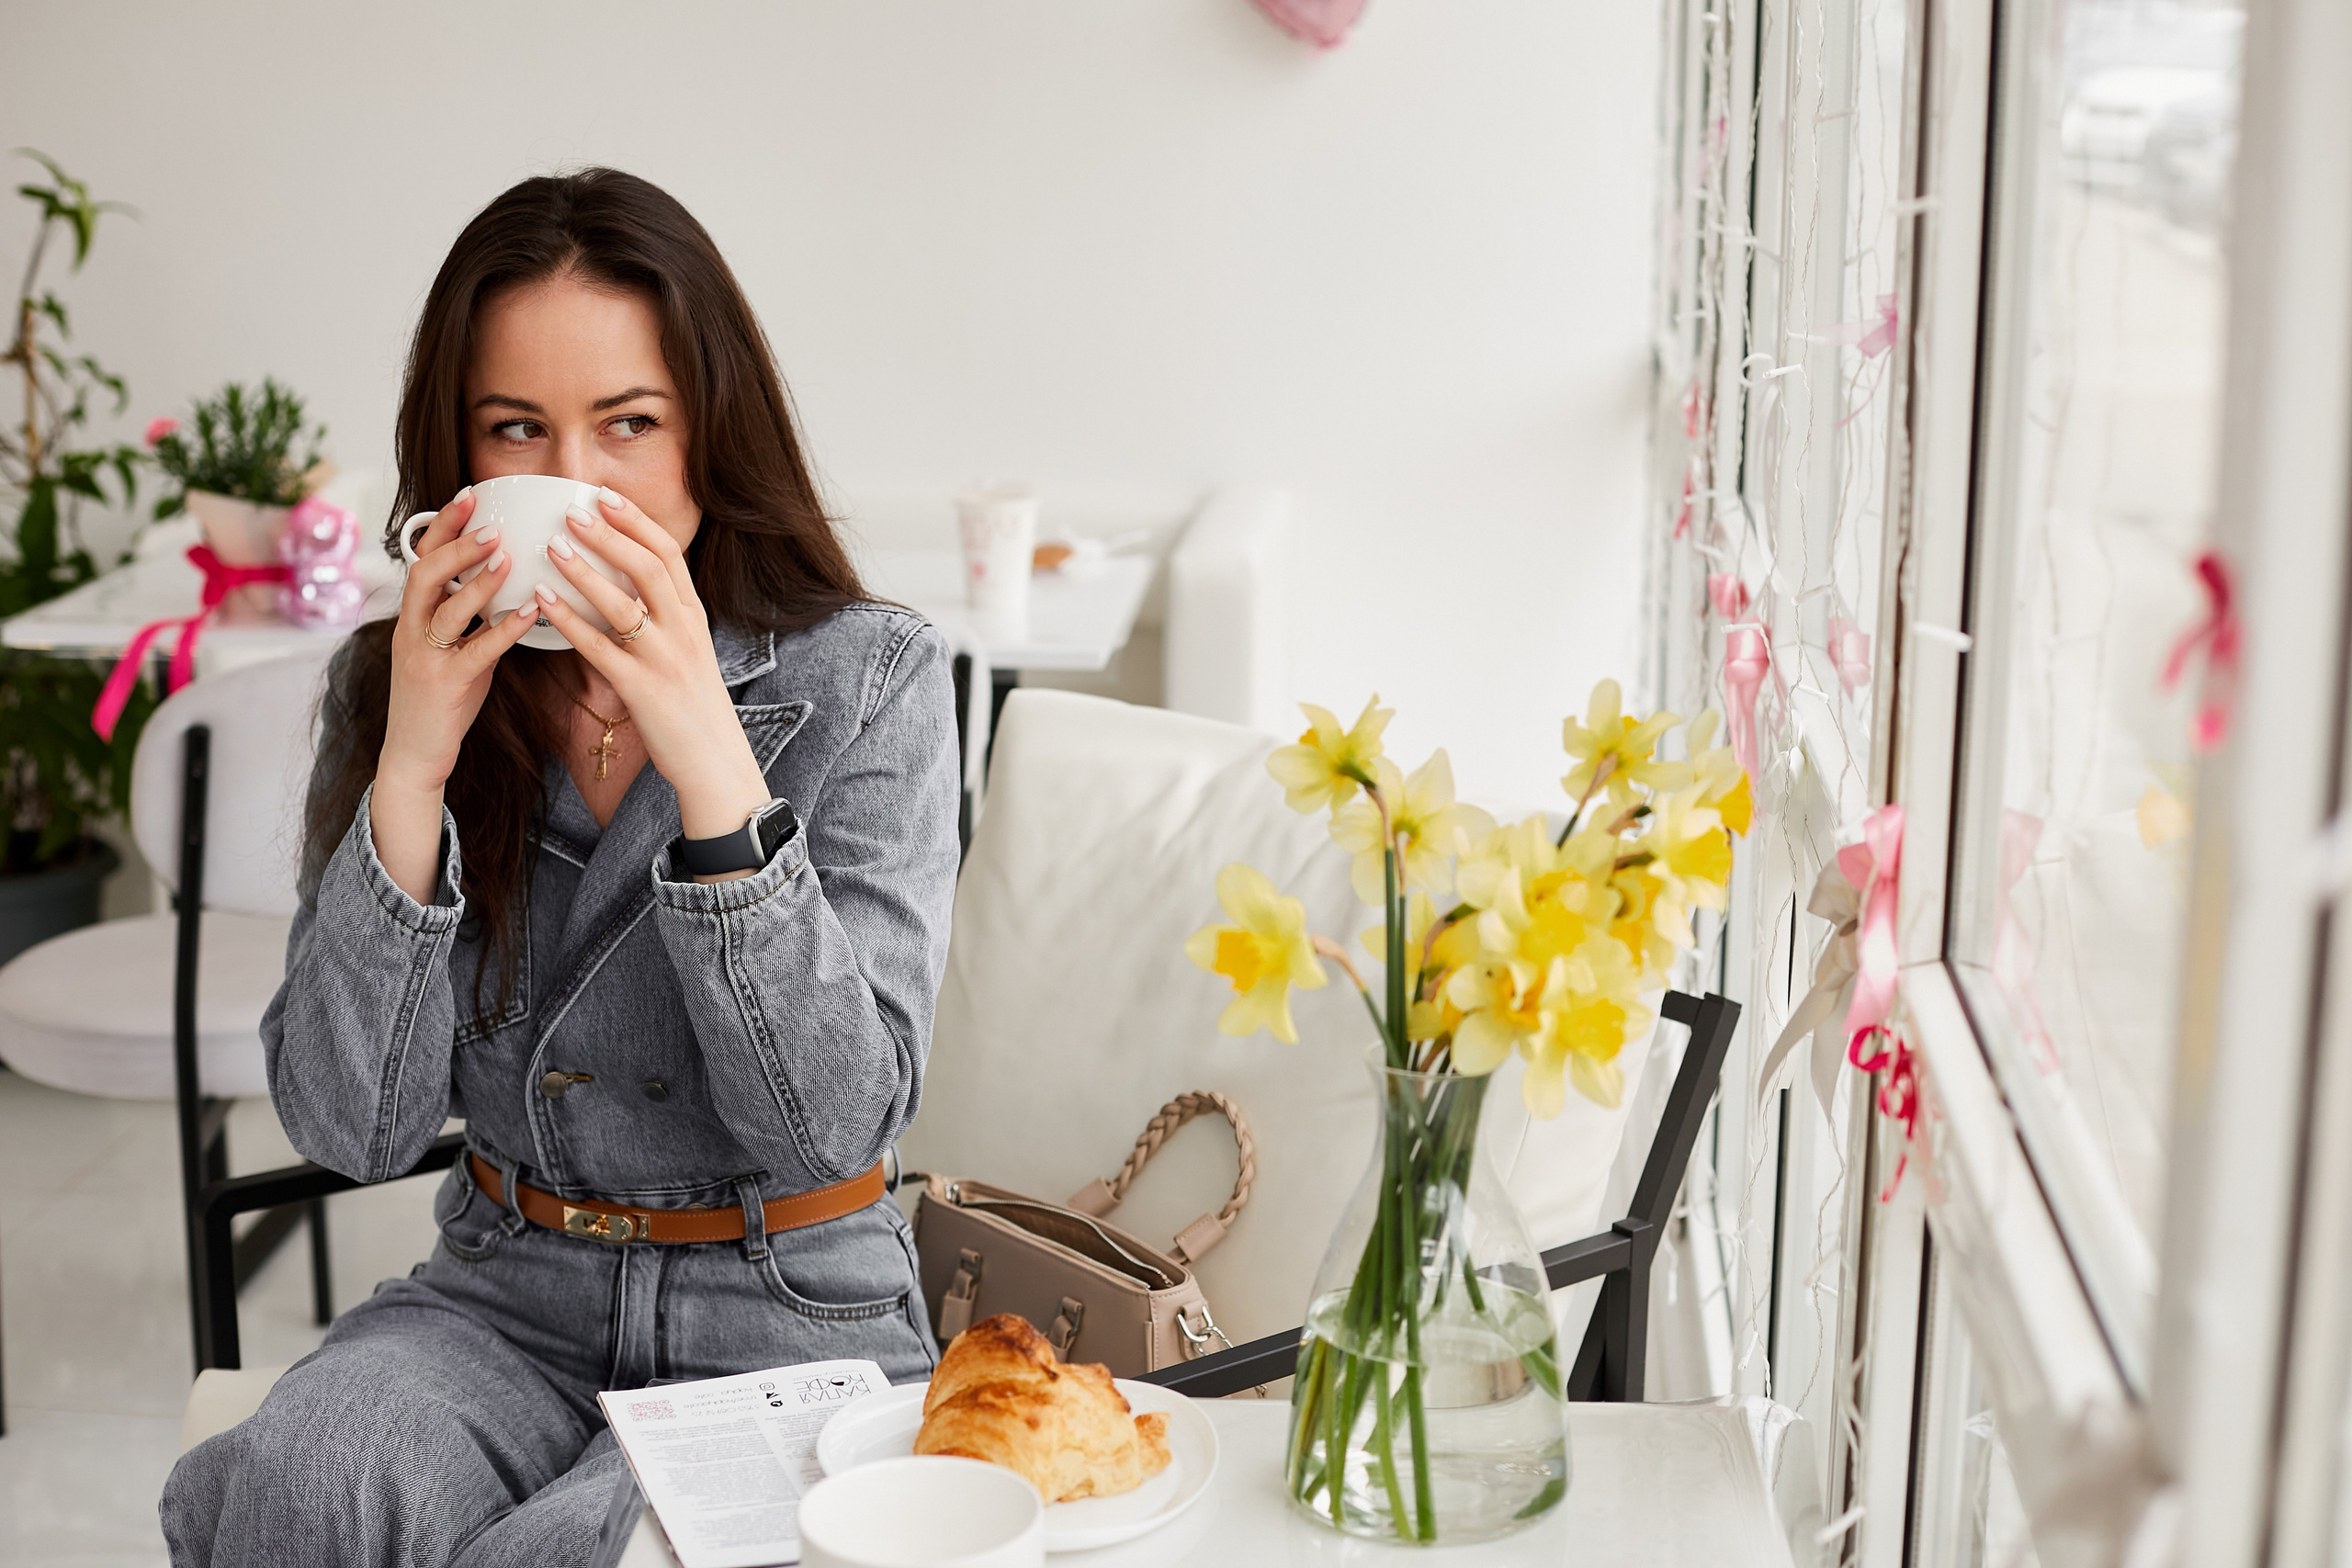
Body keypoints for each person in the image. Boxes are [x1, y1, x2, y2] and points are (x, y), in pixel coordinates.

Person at [162, 168, 961, 1567]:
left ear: (709, 438)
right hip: (507, 1291)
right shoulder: (403, 687)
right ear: (462, 461)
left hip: (786, 1311)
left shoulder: (868, 677)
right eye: (518, 429)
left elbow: (834, 1121)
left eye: (630, 427)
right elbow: (350, 1128)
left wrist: (708, 751)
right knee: (305, 1484)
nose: (575, 486)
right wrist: (411, 765)